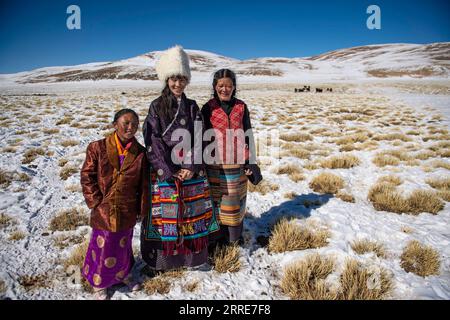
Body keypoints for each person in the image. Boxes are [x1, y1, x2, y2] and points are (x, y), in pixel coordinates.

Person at [141, 45, 219, 273]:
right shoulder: (156, 106)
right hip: (166, 171)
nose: (178, 84)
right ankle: (165, 263)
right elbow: (152, 139)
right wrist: (168, 169)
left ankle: (194, 261)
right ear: (167, 80)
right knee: (168, 218)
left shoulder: (192, 106)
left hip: (190, 171)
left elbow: (199, 136)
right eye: (174, 79)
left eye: (182, 79)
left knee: (193, 214)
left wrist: (190, 166)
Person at [80, 108, 148, 300]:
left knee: (123, 243)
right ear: (114, 124)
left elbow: (143, 184)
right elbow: (87, 175)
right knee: (103, 243)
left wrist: (142, 210)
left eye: (134, 124)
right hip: (104, 207)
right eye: (126, 123)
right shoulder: (97, 147)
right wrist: (95, 201)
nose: (130, 127)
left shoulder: (140, 153)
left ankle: (123, 274)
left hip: (127, 207)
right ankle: (98, 281)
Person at [201, 68, 262, 248]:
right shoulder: (207, 107)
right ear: (215, 86)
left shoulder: (241, 107)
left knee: (234, 202)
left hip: (237, 164)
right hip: (214, 165)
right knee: (216, 202)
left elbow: (248, 133)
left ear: (234, 87)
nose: (224, 89)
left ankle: (233, 241)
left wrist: (251, 161)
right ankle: (215, 240)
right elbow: (201, 135)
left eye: (228, 86)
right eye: (221, 85)